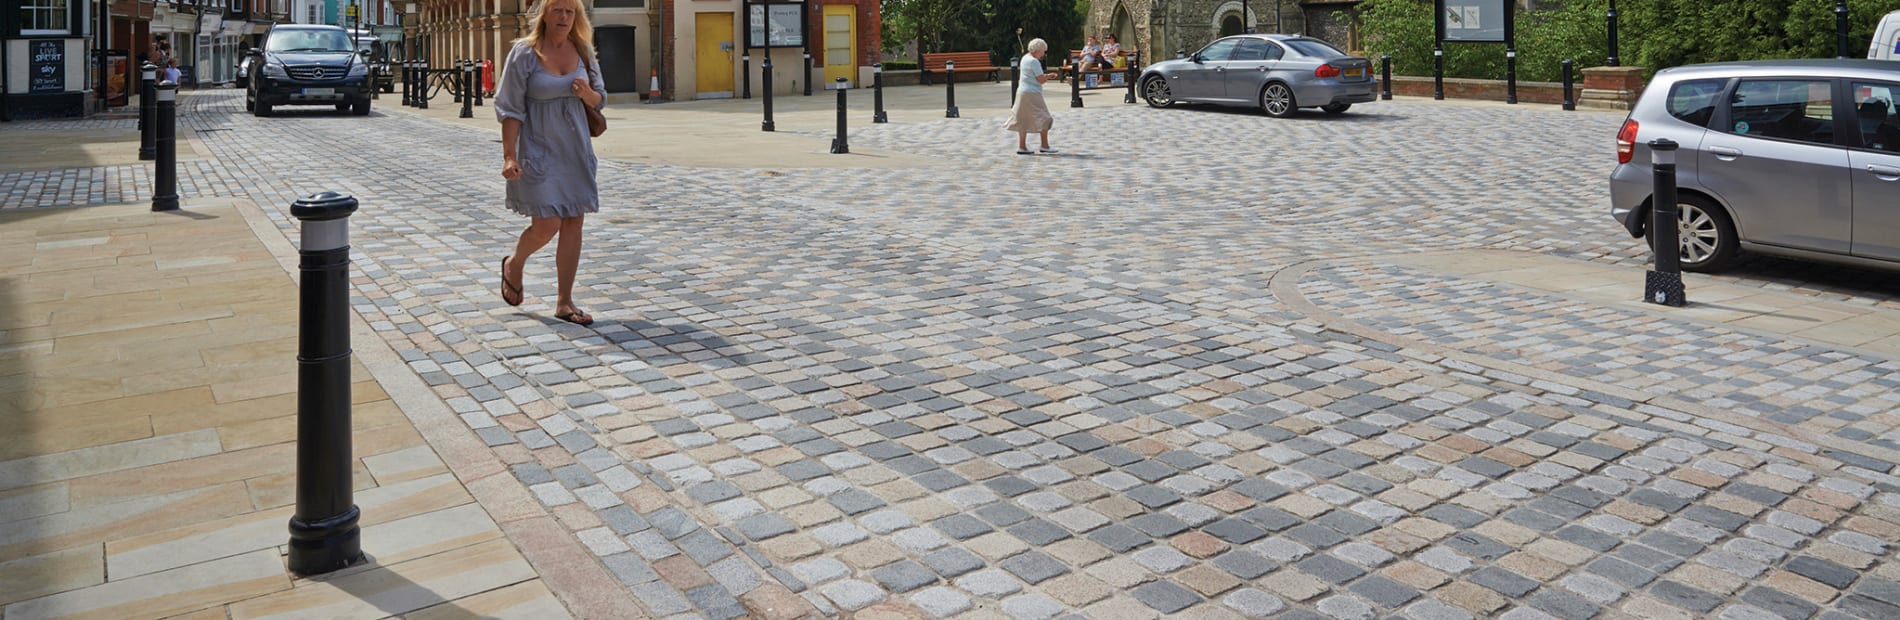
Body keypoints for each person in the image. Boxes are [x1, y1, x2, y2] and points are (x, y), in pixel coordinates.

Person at [493, 0, 606, 326]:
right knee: (548, 222)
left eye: (571, 11)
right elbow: (510, 108)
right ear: (544, 14)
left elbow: (601, 97)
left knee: (573, 221)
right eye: (558, 9)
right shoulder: (525, 53)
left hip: (575, 148)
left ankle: (564, 302)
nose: (564, 17)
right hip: (538, 147)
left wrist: (587, 94)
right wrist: (509, 155)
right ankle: (515, 264)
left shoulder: (582, 49)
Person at [1007, 38, 1060, 155]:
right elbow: (1040, 80)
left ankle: (1022, 146)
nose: (1043, 54)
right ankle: (1044, 145)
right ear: (1037, 50)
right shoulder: (1034, 61)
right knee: (1044, 117)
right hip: (1032, 93)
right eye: (1043, 51)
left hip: (1022, 92)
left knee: (1022, 118)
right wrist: (1049, 76)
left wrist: (1044, 75)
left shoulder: (1025, 58)